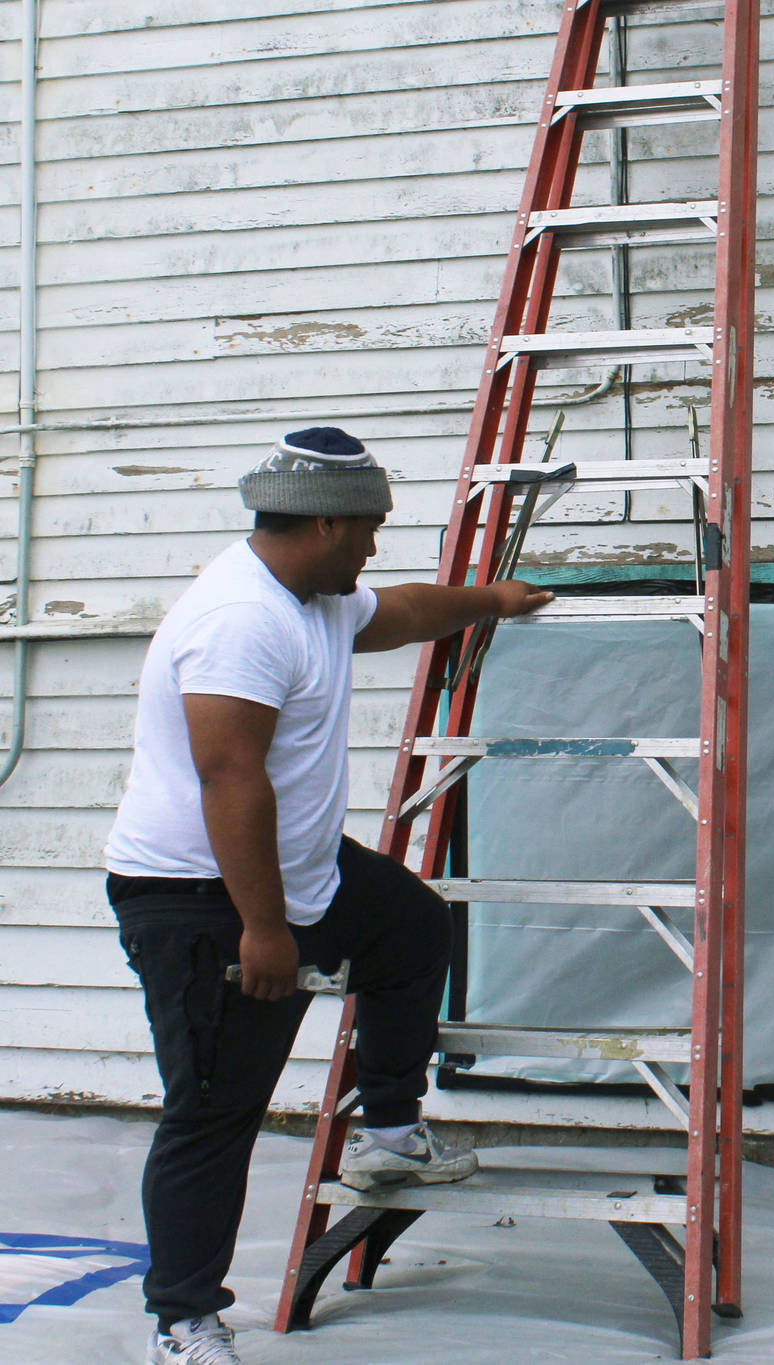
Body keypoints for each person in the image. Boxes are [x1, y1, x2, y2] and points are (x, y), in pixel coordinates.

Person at [103, 428, 554, 1365]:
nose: (375, 548)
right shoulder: (241, 618)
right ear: (322, 522)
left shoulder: (316, 597)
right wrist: (267, 930)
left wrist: (491, 599)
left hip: (296, 869)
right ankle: (183, 1321)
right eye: (370, 529)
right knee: (216, 1109)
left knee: (411, 925)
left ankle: (389, 1129)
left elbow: (398, 612)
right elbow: (229, 775)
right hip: (205, 898)